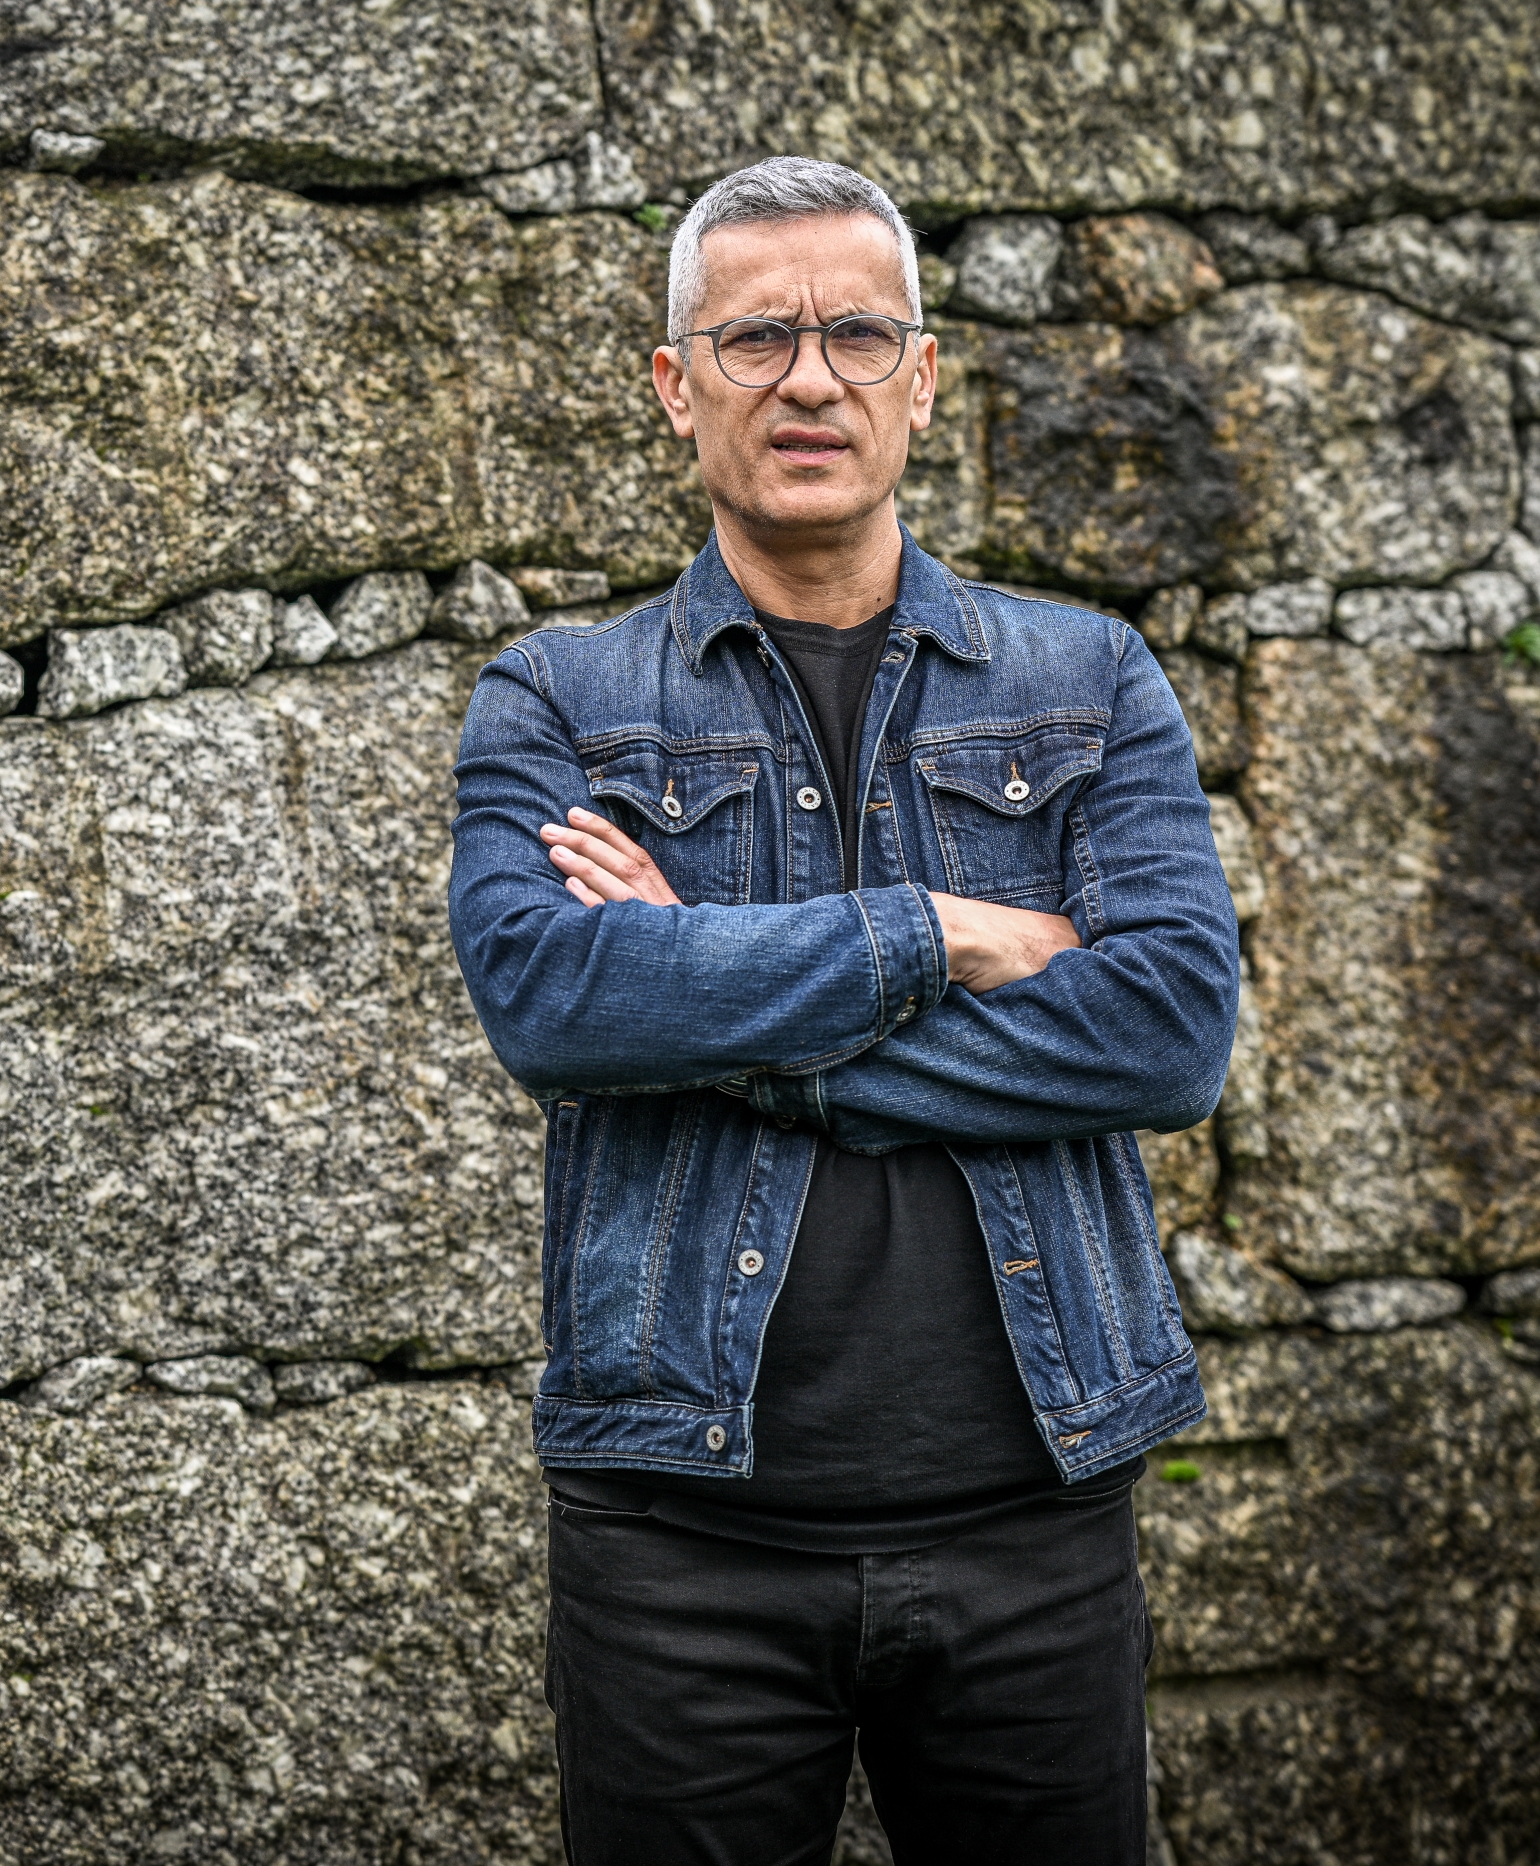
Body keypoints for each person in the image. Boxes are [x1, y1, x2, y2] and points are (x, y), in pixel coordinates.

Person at [447, 156, 1242, 1863]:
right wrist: (943, 931)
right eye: (754, 340)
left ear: (924, 377)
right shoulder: (559, 700)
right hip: (681, 1542)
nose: (810, 379)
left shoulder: (1089, 681)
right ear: (677, 388)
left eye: (858, 334)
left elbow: (1171, 1031)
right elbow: (553, 1004)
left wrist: (723, 1011)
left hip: (1038, 1513)